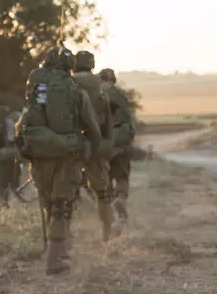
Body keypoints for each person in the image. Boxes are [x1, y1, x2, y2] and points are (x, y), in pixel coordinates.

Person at [21, 47, 100, 274]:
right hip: (67, 156)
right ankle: (53, 260)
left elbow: (23, 125)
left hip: (39, 157)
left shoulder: (34, 90)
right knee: (61, 207)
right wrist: (89, 152)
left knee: (49, 204)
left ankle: (60, 250)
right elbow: (93, 130)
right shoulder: (76, 91)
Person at [73, 51, 117, 240]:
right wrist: (107, 144)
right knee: (101, 192)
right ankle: (107, 232)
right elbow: (108, 120)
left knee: (66, 191)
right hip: (96, 143)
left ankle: (65, 235)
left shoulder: (68, 83)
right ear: (92, 64)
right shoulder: (101, 86)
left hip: (72, 143)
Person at [99, 68, 136, 226]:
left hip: (103, 141)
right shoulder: (120, 95)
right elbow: (128, 120)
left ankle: (109, 214)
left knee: (104, 178)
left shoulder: (95, 94)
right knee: (122, 176)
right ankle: (120, 197)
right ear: (112, 80)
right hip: (120, 140)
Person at [0, 109, 23, 206]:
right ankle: (20, 203)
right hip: (17, 156)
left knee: (2, 182)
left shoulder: (3, 126)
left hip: (4, 157)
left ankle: (5, 203)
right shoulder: (17, 124)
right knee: (15, 181)